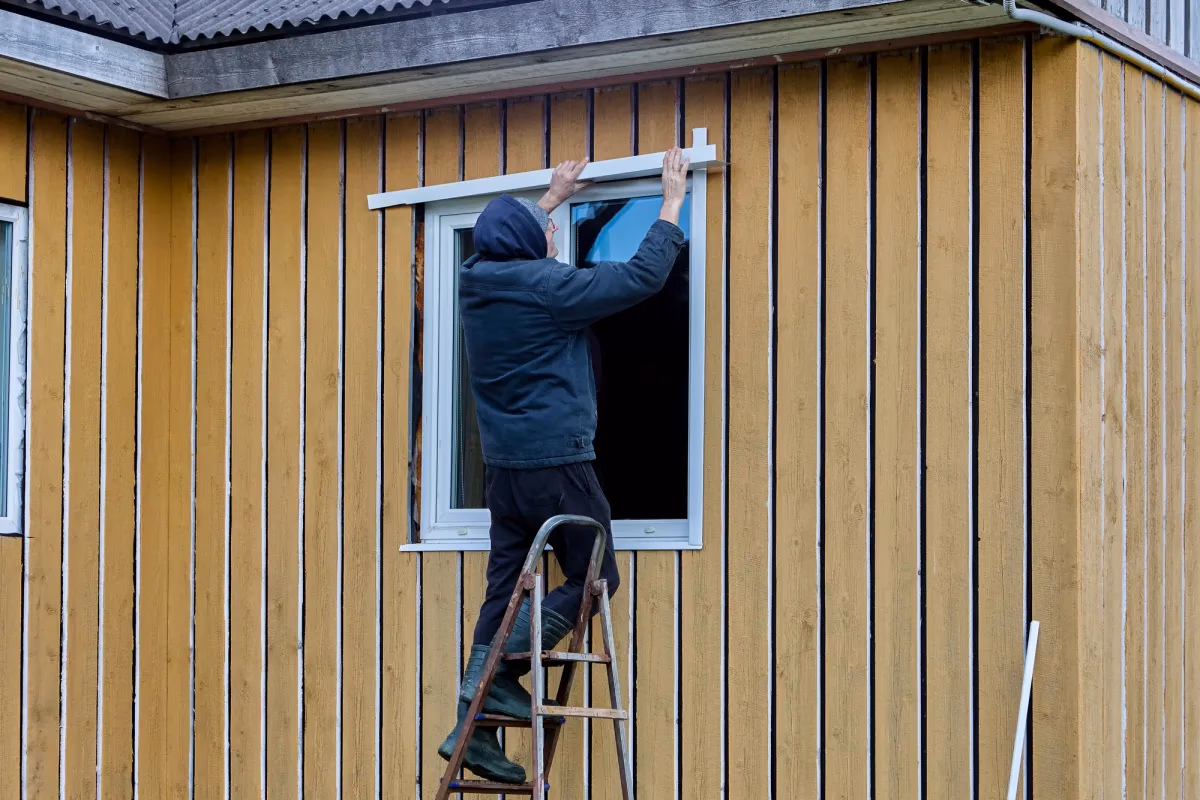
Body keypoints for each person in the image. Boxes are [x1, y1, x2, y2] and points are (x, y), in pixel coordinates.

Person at [438, 148, 691, 783]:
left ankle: (474, 719)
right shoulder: (548, 288)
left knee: (505, 584)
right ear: (531, 247)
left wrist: (549, 201)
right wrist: (670, 204)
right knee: (595, 575)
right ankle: (496, 675)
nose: (553, 234)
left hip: (505, 473)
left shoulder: (474, 281)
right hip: (558, 463)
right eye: (546, 230)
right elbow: (639, 279)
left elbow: (493, 243)